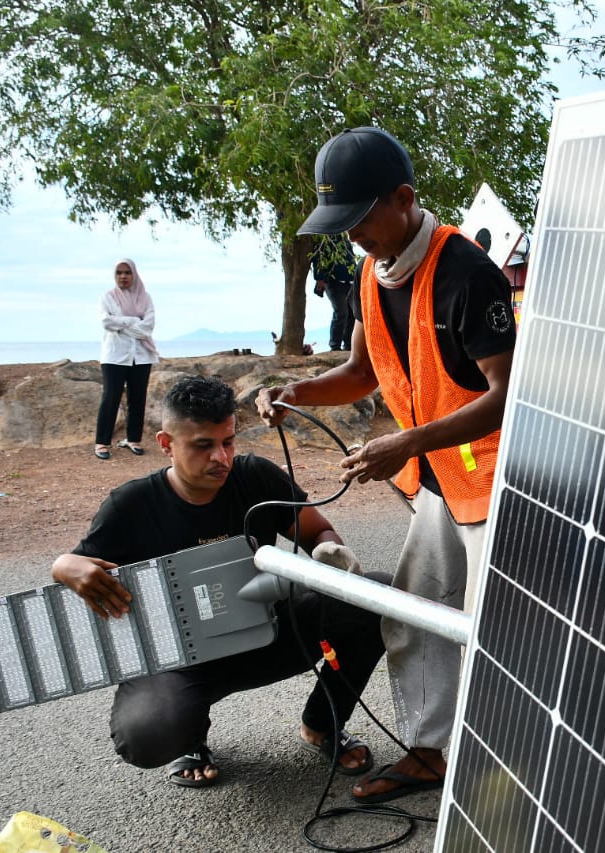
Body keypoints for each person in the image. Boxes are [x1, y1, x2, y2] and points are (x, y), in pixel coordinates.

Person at [256, 127, 516, 804]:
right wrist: (295, 391)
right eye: (340, 226)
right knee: (414, 614)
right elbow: (362, 371)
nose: (354, 239)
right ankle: (430, 753)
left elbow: (505, 397)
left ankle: (512, 762)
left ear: (403, 199)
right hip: (440, 480)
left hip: (495, 482)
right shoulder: (374, 273)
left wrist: (405, 443)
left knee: (495, 631)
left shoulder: (467, 272)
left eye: (361, 221)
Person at [53, 375, 387, 787]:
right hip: (183, 662)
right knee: (146, 735)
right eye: (202, 445)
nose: (221, 457)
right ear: (165, 443)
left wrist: (328, 552)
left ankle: (322, 724)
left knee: (378, 598)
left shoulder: (255, 477)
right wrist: (64, 566)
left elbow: (318, 531)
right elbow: (79, 567)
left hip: (270, 636)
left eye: (227, 441)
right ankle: (189, 740)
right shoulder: (130, 505)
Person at [95, 259, 159, 460]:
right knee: (110, 398)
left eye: (127, 273)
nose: (123, 276)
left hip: (141, 356)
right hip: (114, 355)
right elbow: (106, 322)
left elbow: (148, 327)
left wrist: (121, 323)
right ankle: (102, 443)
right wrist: (133, 321)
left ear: (134, 275)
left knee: (137, 398)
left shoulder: (145, 298)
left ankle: (133, 439)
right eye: (119, 273)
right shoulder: (108, 297)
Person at [311, 234, 359, 351]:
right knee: (341, 312)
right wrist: (320, 278)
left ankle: (348, 344)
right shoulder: (325, 240)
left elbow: (351, 259)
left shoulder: (345, 240)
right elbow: (318, 259)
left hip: (349, 282)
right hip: (333, 282)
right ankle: (335, 345)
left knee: (353, 313)